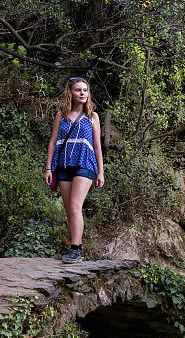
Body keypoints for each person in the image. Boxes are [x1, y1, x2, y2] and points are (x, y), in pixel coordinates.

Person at [44, 77, 105, 263]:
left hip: (84, 164)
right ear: (70, 93)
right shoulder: (61, 115)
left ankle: (74, 249)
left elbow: (97, 146)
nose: (82, 93)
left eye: (85, 90)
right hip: (63, 165)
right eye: (78, 90)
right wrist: (48, 168)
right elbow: (53, 142)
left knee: (74, 206)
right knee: (69, 210)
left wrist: (101, 172)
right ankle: (77, 248)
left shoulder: (92, 117)